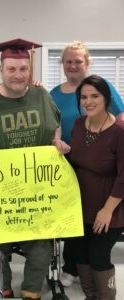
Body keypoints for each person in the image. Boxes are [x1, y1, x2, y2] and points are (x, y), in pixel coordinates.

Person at [0, 38, 70, 300]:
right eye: (11, 69)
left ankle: (31, 292)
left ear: (29, 70)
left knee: (41, 242)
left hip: (37, 190)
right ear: (1, 70)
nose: (18, 75)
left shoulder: (41, 95)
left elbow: (55, 124)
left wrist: (56, 140)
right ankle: (2, 289)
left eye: (23, 69)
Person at [50, 40, 124, 287]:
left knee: (97, 244)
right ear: (62, 64)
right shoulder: (57, 98)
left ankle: (97, 280)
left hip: (104, 165)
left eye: (78, 61)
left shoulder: (100, 89)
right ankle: (73, 270)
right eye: (68, 61)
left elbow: (120, 116)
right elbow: (52, 124)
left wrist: (109, 142)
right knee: (75, 228)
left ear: (86, 63)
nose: (73, 65)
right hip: (71, 160)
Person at [68, 74, 124, 299]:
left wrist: (107, 210)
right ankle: (90, 296)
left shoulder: (119, 132)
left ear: (106, 98)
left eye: (95, 96)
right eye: (83, 97)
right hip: (79, 205)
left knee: (99, 257)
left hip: (108, 208)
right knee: (80, 255)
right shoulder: (79, 124)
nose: (88, 101)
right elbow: (74, 159)